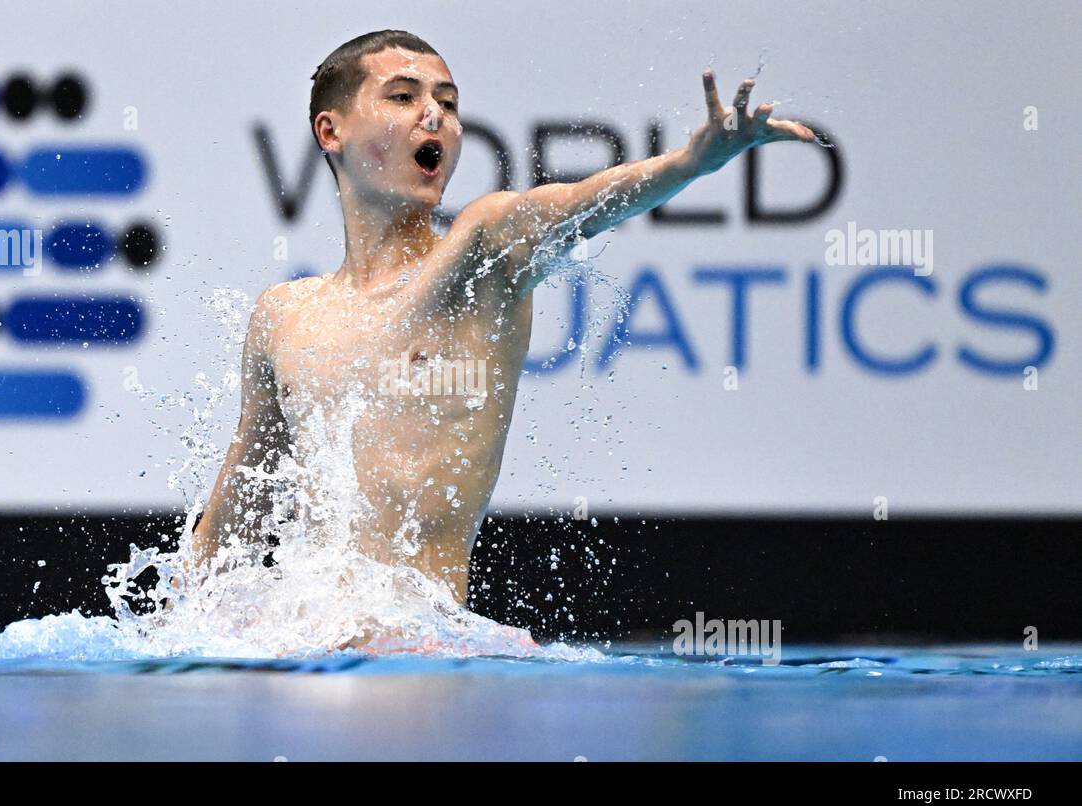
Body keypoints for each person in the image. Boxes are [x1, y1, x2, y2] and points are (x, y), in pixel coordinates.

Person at [190, 29, 814, 605]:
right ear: (331, 132)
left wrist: (686, 166)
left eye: (449, 102)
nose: (434, 114)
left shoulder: (480, 258)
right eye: (403, 96)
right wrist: (175, 634)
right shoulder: (286, 315)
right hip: (308, 653)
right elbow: (241, 498)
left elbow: (579, 205)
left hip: (418, 654)